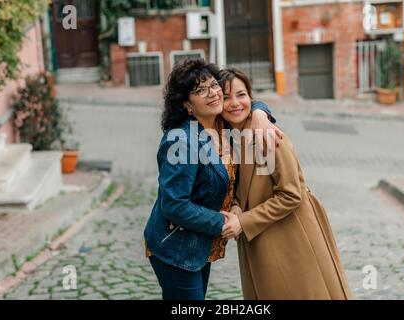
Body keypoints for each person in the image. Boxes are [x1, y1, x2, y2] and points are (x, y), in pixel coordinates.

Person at [143, 58, 279, 300]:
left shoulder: (221, 125)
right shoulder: (181, 141)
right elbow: (174, 205)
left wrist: (260, 113)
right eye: (200, 90)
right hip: (177, 247)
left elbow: (245, 101)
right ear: (186, 103)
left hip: (199, 244)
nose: (213, 93)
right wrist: (223, 223)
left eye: (214, 85)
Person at [219, 68, 352, 300]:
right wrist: (237, 206)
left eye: (241, 95)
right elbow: (241, 186)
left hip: (291, 237)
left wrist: (243, 221)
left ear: (251, 97)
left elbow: (291, 194)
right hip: (260, 239)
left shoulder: (267, 135)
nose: (235, 103)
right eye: (226, 97)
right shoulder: (233, 139)